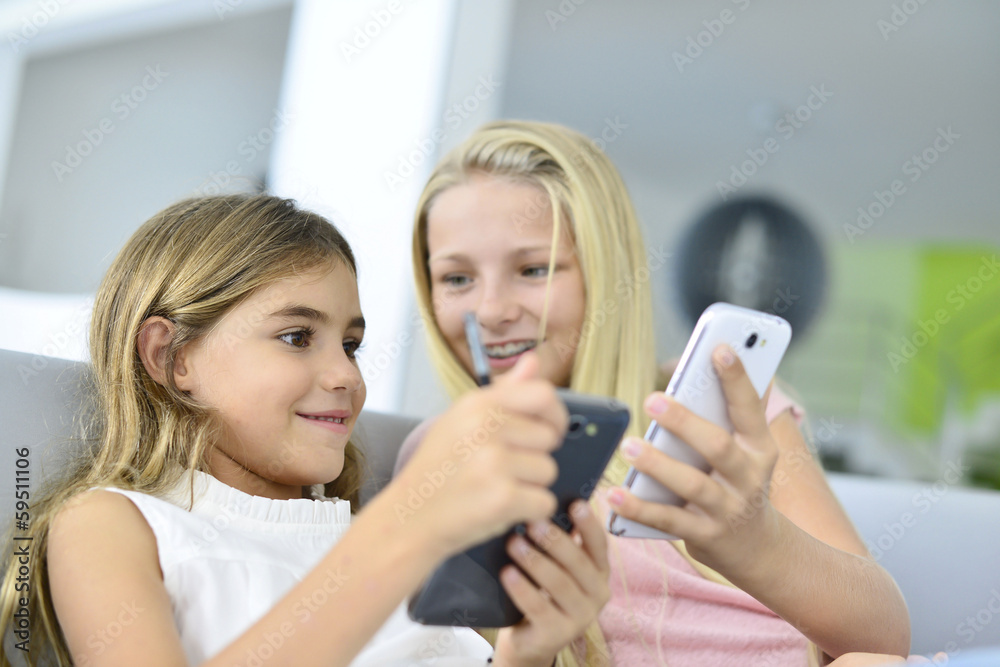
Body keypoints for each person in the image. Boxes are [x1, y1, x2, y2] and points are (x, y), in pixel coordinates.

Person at [0, 194, 610, 667]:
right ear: (171, 357)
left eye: (352, 344)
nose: (345, 374)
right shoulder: (111, 522)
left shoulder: (369, 540)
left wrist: (525, 654)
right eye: (297, 337)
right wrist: (409, 527)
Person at [400, 120, 913, 665]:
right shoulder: (444, 456)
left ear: (605, 271)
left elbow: (882, 637)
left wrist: (757, 542)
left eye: (533, 268)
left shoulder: (722, 400)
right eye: (457, 279)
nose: (493, 310)